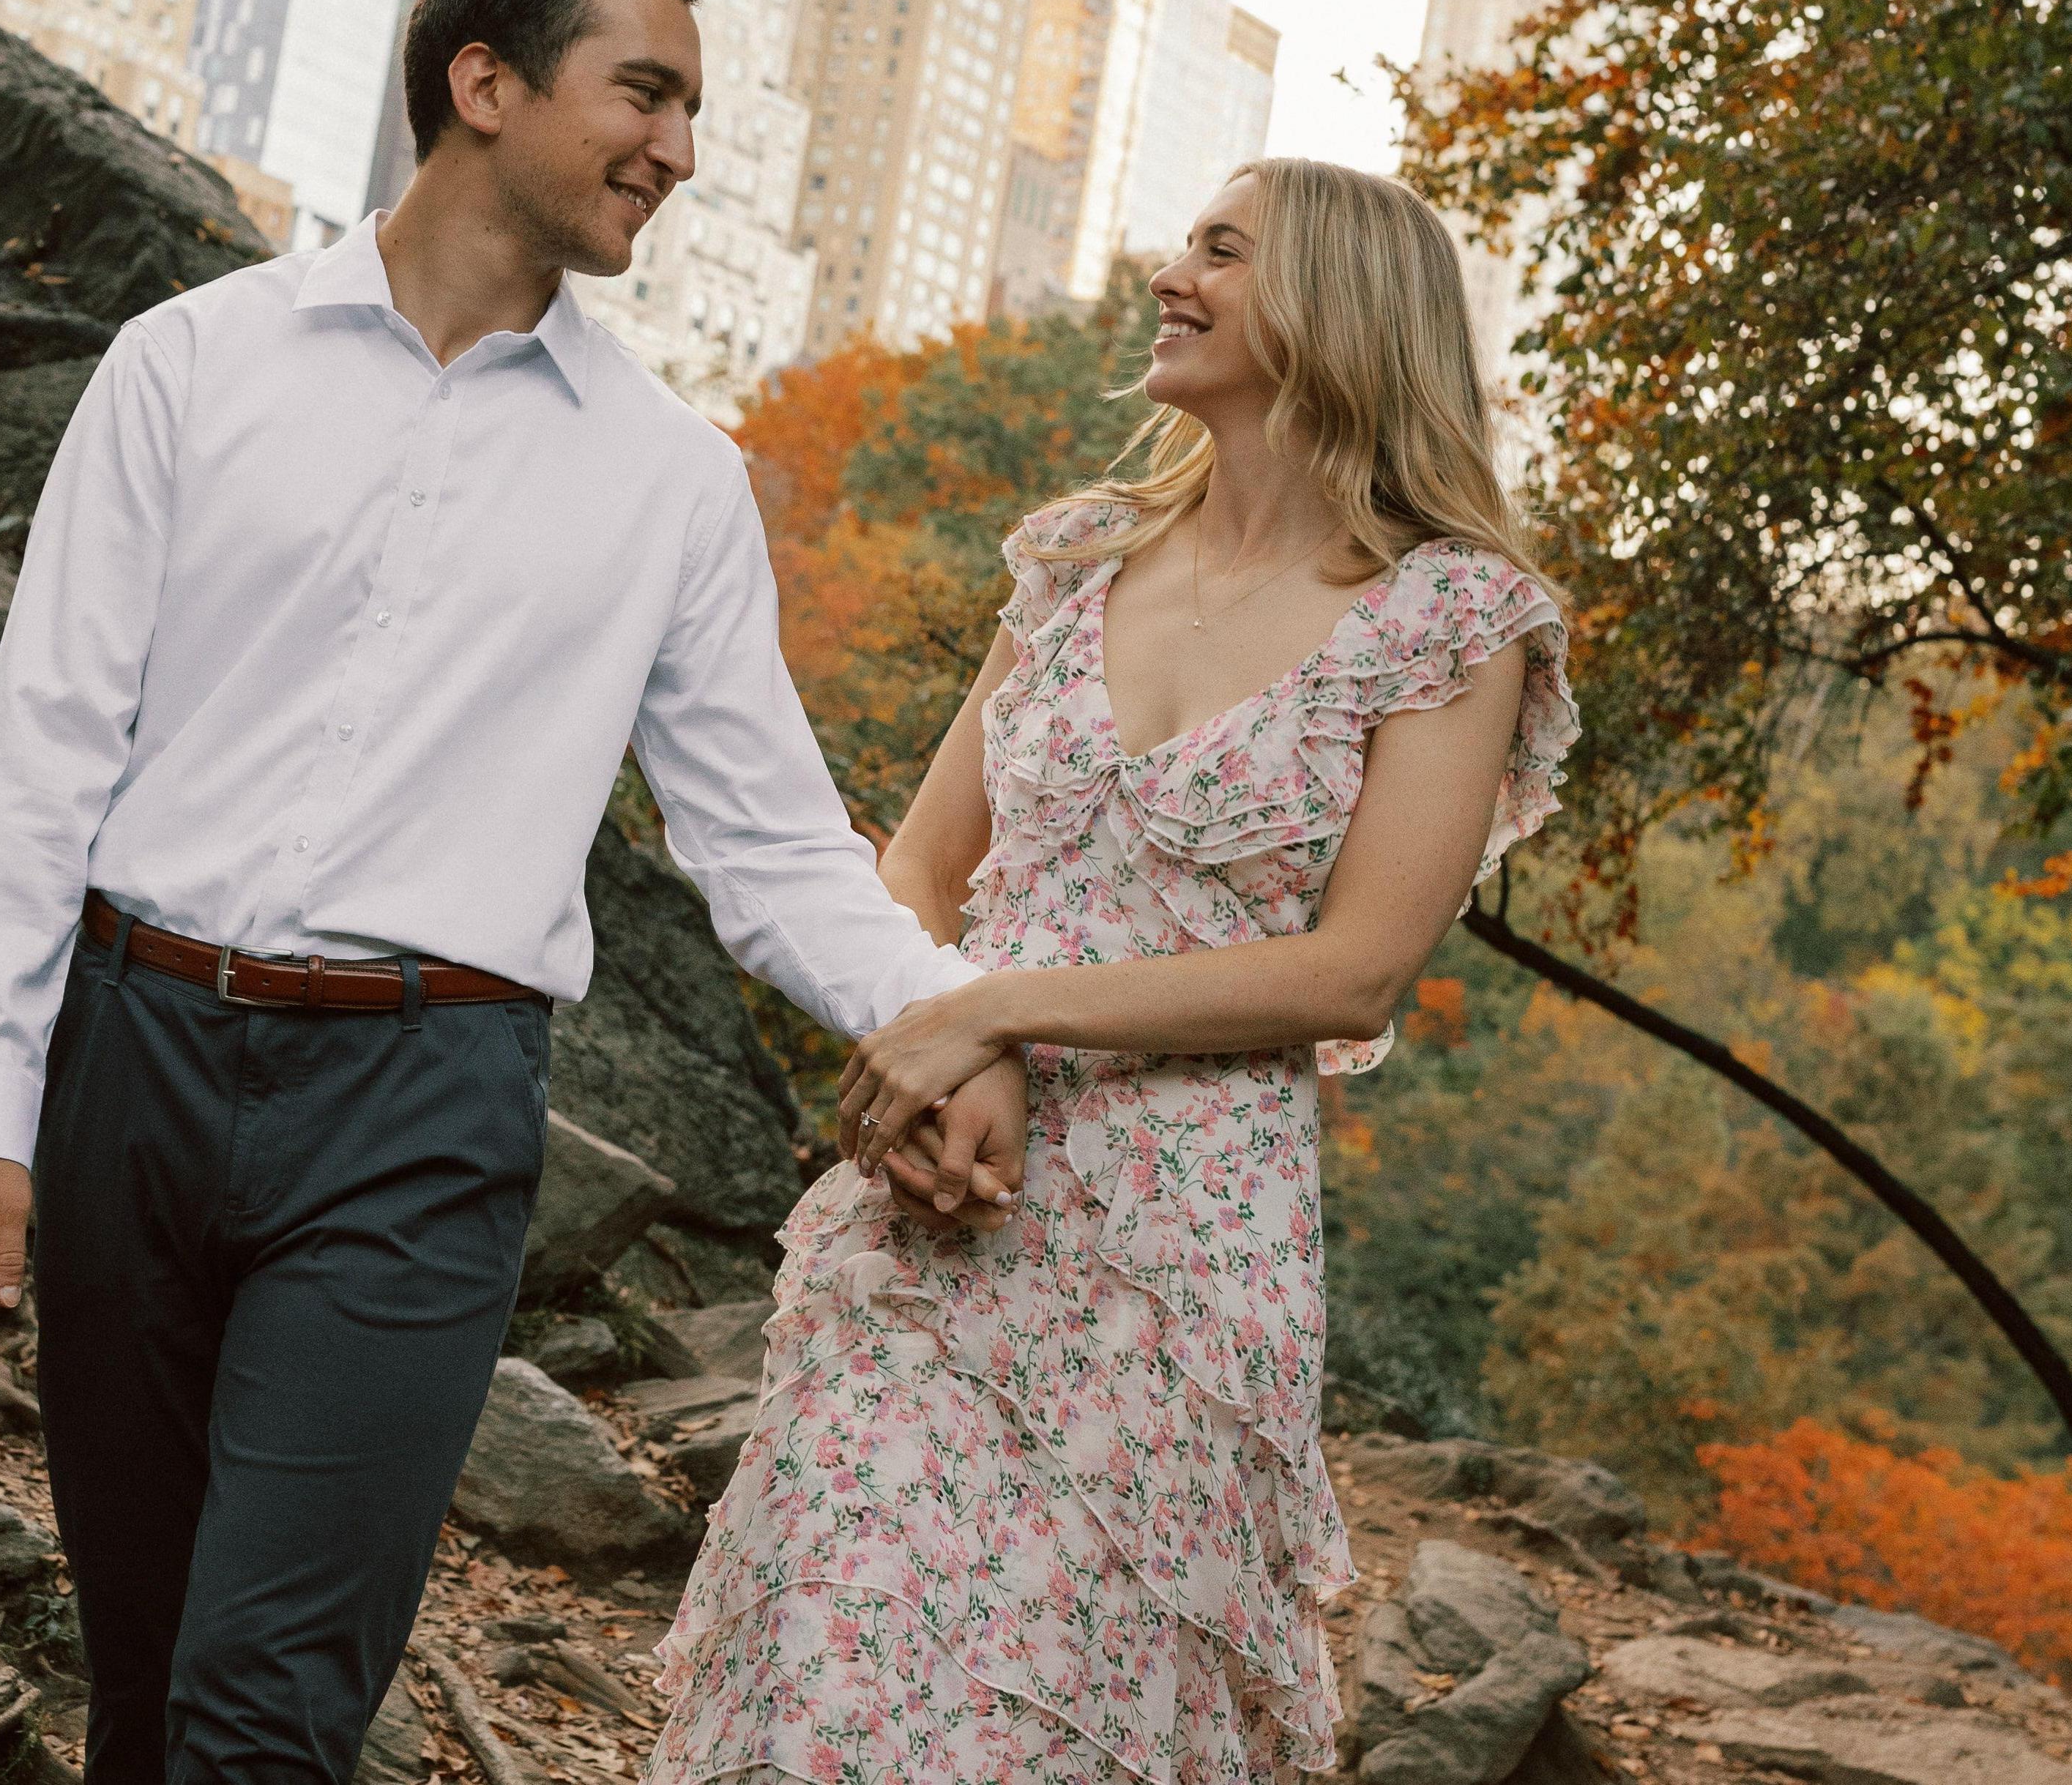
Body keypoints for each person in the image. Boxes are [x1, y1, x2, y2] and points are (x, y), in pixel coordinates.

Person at [0, 0, 1031, 1785]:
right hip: (131, 1063)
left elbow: (766, 846)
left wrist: (950, 1018)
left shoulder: (670, 480)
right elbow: (44, 752)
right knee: (145, 1682)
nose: (679, 149)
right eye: (643, 92)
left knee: (265, 1706)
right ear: (483, 82)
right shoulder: (188, 364)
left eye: (690, 109)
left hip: (417, 1112)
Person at [649, 156, 1577, 1785]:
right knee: (834, 1661)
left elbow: (1353, 971)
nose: (1170, 273)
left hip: (1181, 1251)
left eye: (1221, 251)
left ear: (1335, 307)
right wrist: (939, 1053)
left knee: (1061, 1712)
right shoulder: (1081, 555)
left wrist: (995, 1010)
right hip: (942, 1193)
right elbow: (920, 862)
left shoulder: (1451, 616)